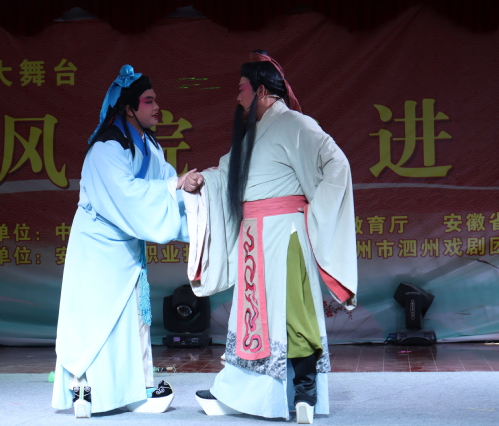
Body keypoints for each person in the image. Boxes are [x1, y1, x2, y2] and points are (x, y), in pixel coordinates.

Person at [183, 50, 358, 424]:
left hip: (284, 233)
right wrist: (202, 181)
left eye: (242, 89)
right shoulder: (252, 135)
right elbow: (226, 174)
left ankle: (304, 391)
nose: (238, 97)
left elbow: (337, 164)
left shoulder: (296, 124)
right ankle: (241, 390)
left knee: (292, 311)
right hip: (254, 235)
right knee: (251, 319)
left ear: (261, 90)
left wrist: (313, 210)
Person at [51, 65, 191, 418]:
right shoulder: (106, 149)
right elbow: (128, 195)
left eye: (156, 100)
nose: (157, 107)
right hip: (98, 247)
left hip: (126, 248)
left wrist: (191, 193)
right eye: (149, 101)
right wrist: (173, 186)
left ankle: (133, 388)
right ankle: (84, 389)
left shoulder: (148, 145)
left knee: (131, 320)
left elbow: (165, 187)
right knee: (96, 319)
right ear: (129, 108)